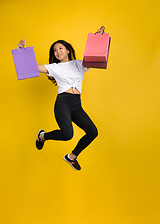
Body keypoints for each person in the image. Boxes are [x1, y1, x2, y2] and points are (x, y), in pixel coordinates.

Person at [18, 26, 105, 171]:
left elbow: (94, 56)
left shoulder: (79, 64)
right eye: (55, 50)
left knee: (92, 132)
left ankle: (71, 157)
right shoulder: (54, 67)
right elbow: (30, 66)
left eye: (60, 48)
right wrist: (22, 51)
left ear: (68, 50)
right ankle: (43, 136)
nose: (57, 52)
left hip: (77, 105)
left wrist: (98, 38)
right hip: (63, 103)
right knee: (67, 134)